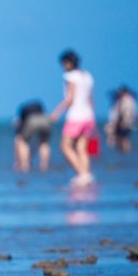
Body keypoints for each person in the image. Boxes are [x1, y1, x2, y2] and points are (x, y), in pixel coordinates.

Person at [49, 49, 96, 188]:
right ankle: (86, 175)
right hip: (89, 116)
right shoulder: (87, 76)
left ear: (68, 63)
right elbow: (90, 99)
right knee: (82, 148)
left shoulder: (71, 76)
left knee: (65, 146)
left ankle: (83, 174)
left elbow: (69, 99)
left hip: (76, 116)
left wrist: (56, 113)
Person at [13, 100, 52, 172]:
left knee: (23, 142)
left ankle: (25, 165)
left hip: (32, 120)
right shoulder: (38, 107)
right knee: (44, 142)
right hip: (45, 119)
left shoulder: (22, 113)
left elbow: (18, 138)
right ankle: (44, 166)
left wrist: (17, 160)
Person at [106, 85, 138, 153]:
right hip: (126, 123)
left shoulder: (126, 100)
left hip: (124, 123)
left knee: (123, 139)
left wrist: (124, 122)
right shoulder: (129, 100)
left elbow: (125, 113)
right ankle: (125, 155)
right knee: (124, 139)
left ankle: (125, 154)